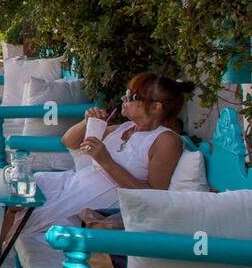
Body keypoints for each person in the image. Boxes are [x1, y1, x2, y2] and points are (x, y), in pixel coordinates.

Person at [21, 72, 192, 236]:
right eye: (127, 93)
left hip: (95, 202)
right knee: (15, 194)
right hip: (72, 185)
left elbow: (153, 198)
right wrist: (86, 122)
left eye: (132, 96)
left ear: (156, 107)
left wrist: (106, 161)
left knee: (20, 213)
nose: (124, 99)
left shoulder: (165, 140)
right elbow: (68, 141)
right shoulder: (124, 127)